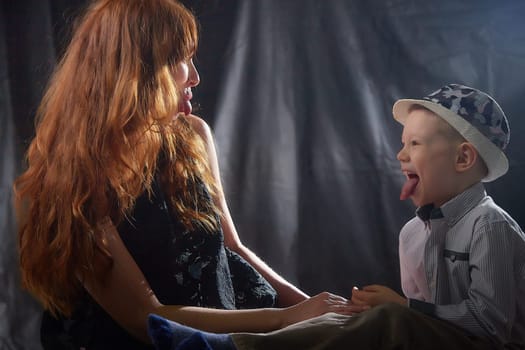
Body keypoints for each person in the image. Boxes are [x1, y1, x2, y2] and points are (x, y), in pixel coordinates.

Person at [13, 0, 363, 348]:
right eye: (180, 60)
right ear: (138, 70)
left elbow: (232, 247)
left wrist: (315, 310)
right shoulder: (69, 182)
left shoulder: (192, 135)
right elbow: (144, 318)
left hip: (241, 328)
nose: (195, 76)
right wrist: (288, 319)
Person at [146, 84, 525, 350]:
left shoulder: (490, 228)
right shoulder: (413, 234)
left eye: (416, 144)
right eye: (402, 142)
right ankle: (233, 344)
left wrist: (403, 309)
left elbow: (492, 325)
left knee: (389, 322)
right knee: (353, 321)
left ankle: (233, 349)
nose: (401, 155)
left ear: (463, 158)